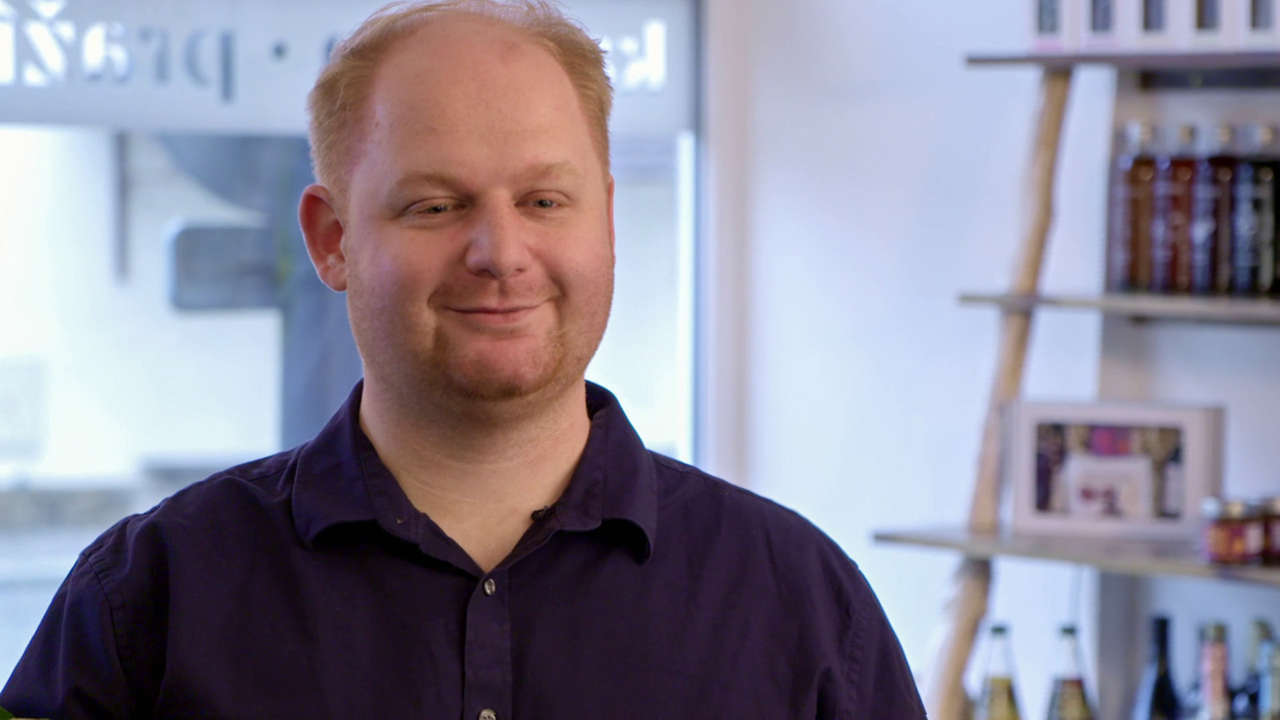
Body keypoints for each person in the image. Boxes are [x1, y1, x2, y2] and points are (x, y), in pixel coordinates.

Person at [0, 1, 924, 717]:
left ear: (606, 219)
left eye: (545, 201)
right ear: (331, 239)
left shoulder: (798, 602)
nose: (501, 253)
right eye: (436, 206)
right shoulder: (150, 601)